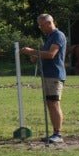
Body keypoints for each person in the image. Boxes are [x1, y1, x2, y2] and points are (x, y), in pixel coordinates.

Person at [21, 13, 67, 144]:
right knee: (50, 104)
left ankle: (58, 134)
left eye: (42, 25)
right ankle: (54, 133)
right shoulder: (49, 37)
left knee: (54, 103)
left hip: (54, 75)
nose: (40, 28)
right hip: (47, 74)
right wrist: (36, 56)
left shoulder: (58, 35)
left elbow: (51, 54)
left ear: (49, 23)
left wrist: (32, 52)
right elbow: (44, 54)